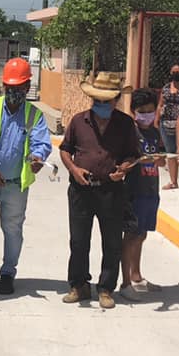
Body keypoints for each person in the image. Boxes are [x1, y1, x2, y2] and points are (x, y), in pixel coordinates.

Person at [0, 58, 52, 295]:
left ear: (27, 88)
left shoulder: (34, 115)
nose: (14, 92)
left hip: (15, 185)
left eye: (19, 88)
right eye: (10, 88)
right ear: (4, 86)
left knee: (12, 229)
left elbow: (41, 143)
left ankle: (8, 271)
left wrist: (37, 157)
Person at [59, 72, 141, 309]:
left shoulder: (126, 124)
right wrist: (74, 169)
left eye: (106, 101)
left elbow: (133, 155)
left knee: (112, 242)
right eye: (97, 101)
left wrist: (124, 169)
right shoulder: (78, 121)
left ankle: (105, 288)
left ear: (116, 100)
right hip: (81, 191)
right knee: (78, 241)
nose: (101, 105)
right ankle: (78, 285)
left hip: (112, 191)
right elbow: (65, 150)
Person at [118, 89, 165, 301]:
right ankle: (125, 281)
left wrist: (160, 159)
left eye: (150, 111)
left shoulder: (155, 132)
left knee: (142, 234)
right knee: (131, 236)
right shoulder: (129, 132)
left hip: (150, 190)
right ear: (133, 111)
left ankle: (137, 276)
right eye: (142, 111)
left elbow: (161, 156)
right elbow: (124, 160)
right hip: (133, 192)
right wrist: (140, 160)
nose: (146, 115)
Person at [155, 61, 179, 190]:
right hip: (166, 124)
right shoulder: (166, 87)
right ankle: (173, 181)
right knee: (170, 153)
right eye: (173, 72)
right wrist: (156, 119)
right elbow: (160, 104)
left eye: (178, 72)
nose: (175, 74)